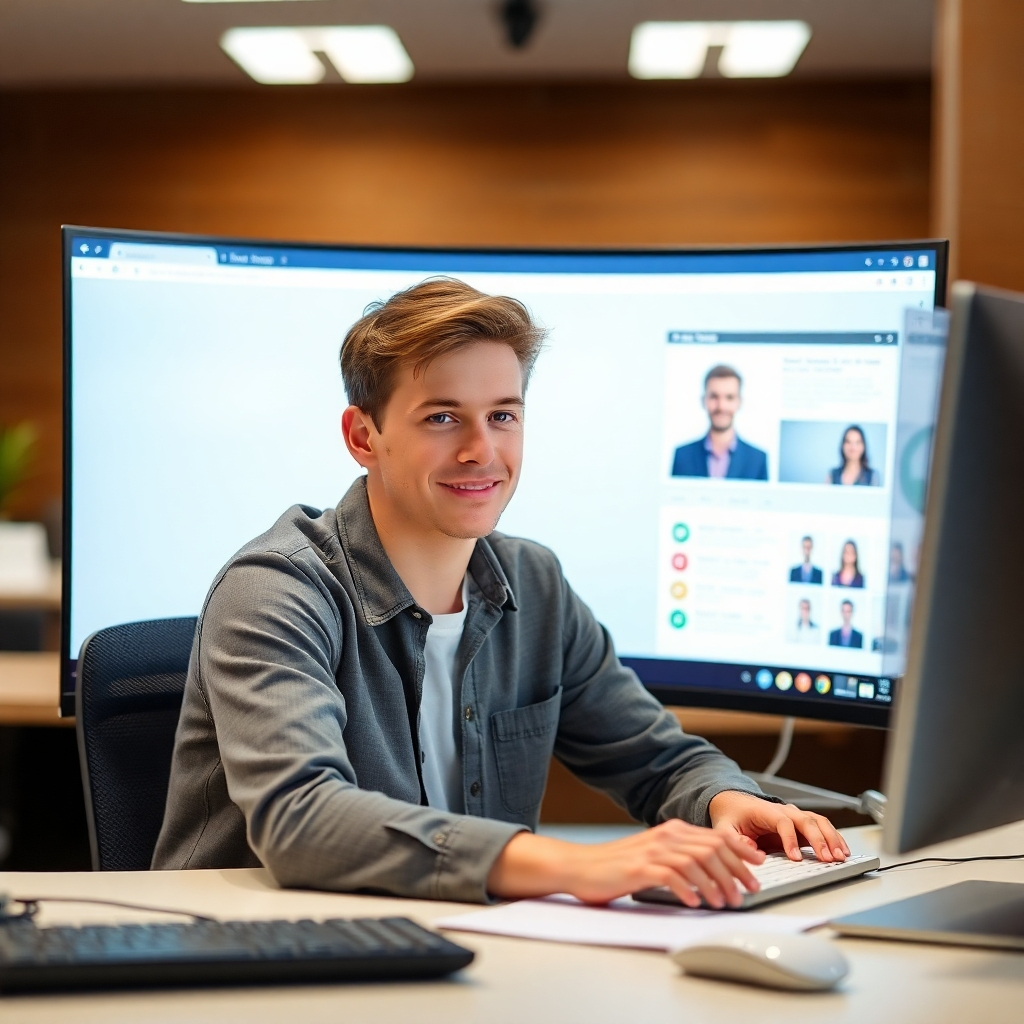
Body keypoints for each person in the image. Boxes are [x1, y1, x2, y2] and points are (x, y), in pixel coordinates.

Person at [154, 278, 848, 909]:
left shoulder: (533, 585)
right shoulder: (275, 590)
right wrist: (575, 866)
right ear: (363, 436)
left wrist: (727, 800)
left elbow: (658, 760)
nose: (481, 451)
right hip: (261, 962)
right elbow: (301, 818)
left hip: (457, 957)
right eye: (441, 418)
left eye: (503, 416)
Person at [671, 366, 768, 480]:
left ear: (739, 402)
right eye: (714, 397)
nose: (721, 406)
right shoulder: (682, 456)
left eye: (729, 397)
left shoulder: (757, 459)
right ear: (703, 400)